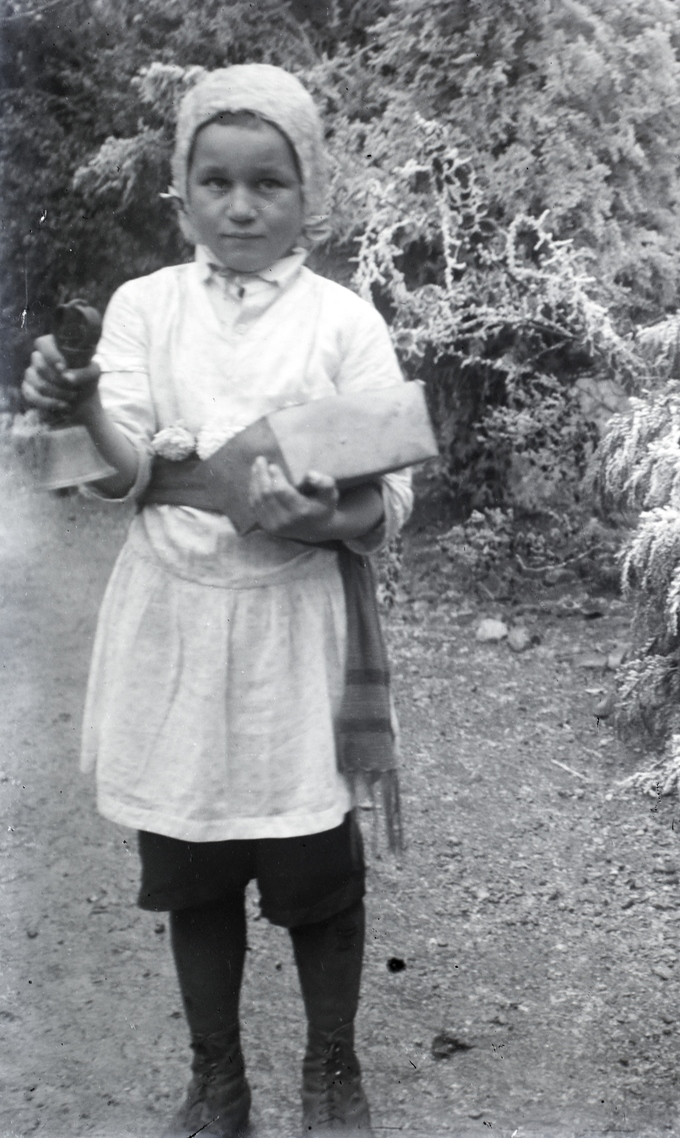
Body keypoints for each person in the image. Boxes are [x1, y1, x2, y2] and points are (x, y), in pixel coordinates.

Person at [21, 64, 415, 1136]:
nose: (241, 207)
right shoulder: (147, 309)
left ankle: (331, 1071)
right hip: (178, 620)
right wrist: (91, 406)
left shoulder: (340, 322)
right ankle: (217, 1078)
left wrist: (308, 516)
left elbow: (389, 492)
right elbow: (122, 475)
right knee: (193, 868)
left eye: (268, 184)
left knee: (313, 873)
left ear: (310, 193)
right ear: (182, 193)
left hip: (295, 626)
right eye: (216, 182)